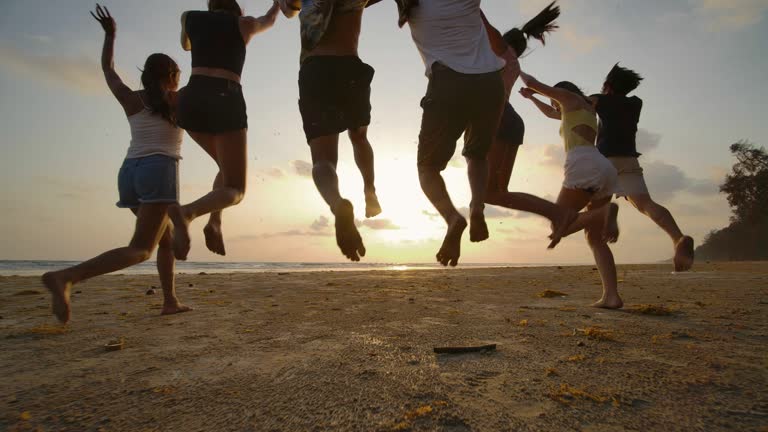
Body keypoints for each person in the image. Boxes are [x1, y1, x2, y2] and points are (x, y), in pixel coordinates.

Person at [42, 5, 190, 323]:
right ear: (173, 77)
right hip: (158, 170)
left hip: (129, 173)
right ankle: (67, 276)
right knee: (140, 249)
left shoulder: (131, 99)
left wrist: (111, 36)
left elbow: (108, 71)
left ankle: (170, 301)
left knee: (162, 239)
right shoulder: (178, 100)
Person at [170, 0, 281, 260]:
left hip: (191, 99)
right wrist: (277, 5)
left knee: (225, 168)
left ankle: (215, 222)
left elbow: (186, 45)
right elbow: (270, 19)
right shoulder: (244, 24)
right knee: (236, 190)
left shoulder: (189, 17)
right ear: (237, 8)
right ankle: (187, 213)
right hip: (225, 96)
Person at [276, 0, 383, 262]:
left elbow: (288, 10)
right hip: (350, 65)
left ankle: (337, 204)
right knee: (359, 137)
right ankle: (370, 191)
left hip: (316, 69)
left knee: (323, 160)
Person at [402, 0, 506, 267]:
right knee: (477, 154)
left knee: (427, 167)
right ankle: (477, 207)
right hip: (491, 83)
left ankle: (452, 218)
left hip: (448, 81)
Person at [519, 71, 624, 309]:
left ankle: (604, 212)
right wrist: (532, 99)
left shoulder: (569, 98)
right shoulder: (586, 108)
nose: (555, 105)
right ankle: (612, 296)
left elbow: (535, 83)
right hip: (603, 166)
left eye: (554, 100)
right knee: (596, 239)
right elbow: (550, 113)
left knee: (558, 224)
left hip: (582, 163)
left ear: (562, 93)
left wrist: (512, 62)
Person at [480, 3, 578, 247]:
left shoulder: (501, 50)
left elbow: (484, 27)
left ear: (503, 40)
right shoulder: (512, 60)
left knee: (489, 193)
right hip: (511, 122)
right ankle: (557, 213)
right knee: (496, 193)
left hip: (501, 120)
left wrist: (472, 7)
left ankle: (557, 213)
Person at [592, 64, 695, 272]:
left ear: (606, 85)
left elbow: (575, 104)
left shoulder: (600, 100)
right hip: (629, 160)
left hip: (604, 160)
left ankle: (607, 213)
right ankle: (678, 237)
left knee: (592, 212)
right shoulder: (635, 103)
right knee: (646, 204)